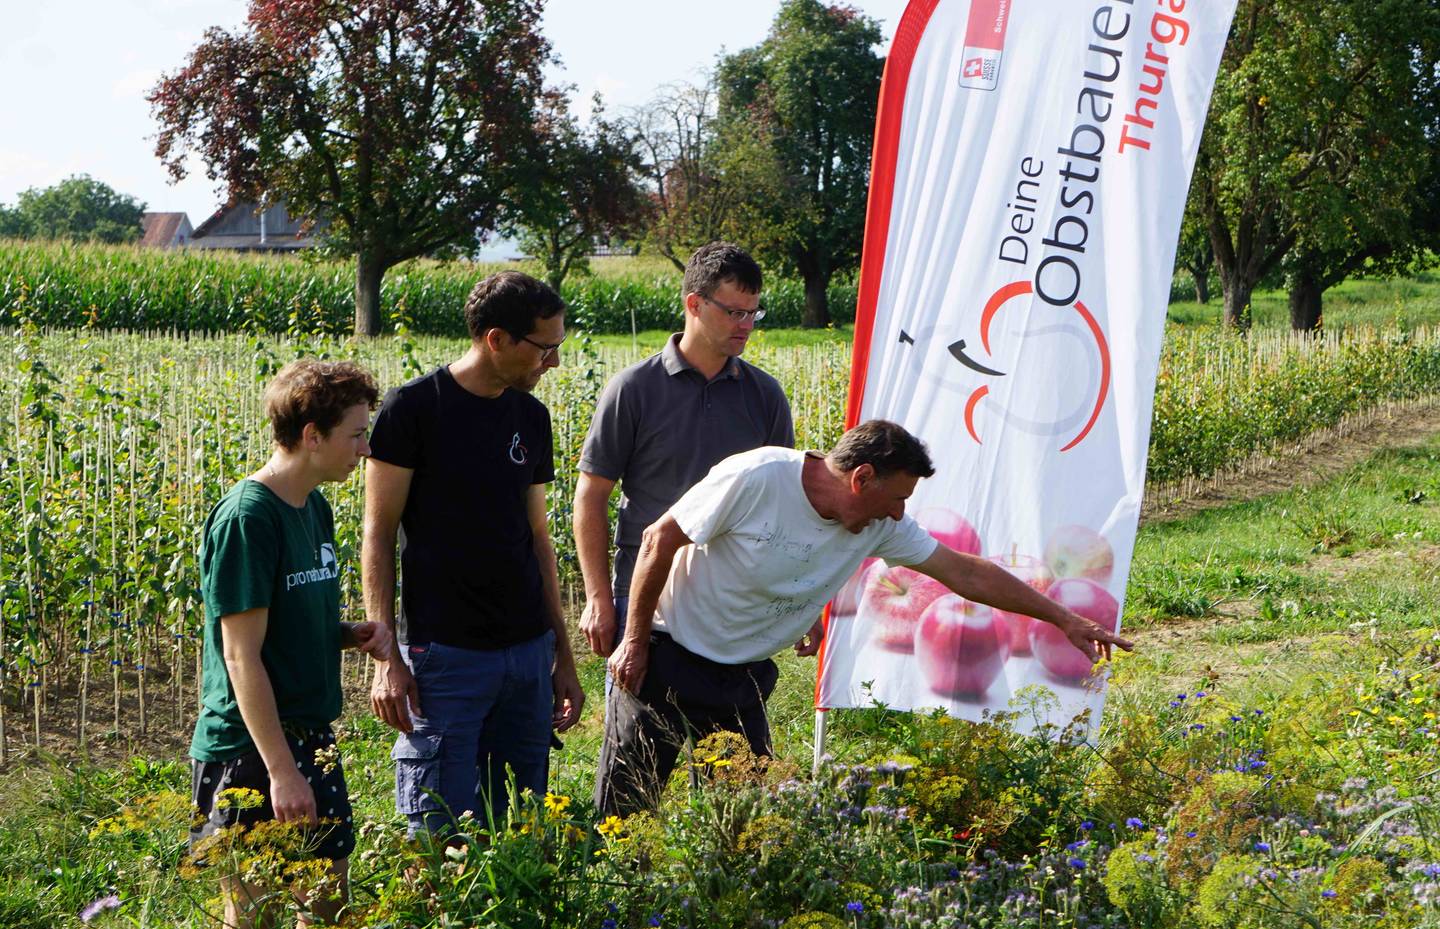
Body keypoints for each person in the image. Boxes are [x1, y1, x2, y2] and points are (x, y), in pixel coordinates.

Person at [596, 420, 1134, 815]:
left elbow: (965, 574)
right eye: (897, 496)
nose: (901, 512)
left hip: (742, 675)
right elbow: (658, 539)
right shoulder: (758, 477)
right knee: (626, 807)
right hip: (666, 654)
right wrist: (635, 641)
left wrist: (1063, 617)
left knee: (743, 822)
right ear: (862, 478)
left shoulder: (879, 526)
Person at [364, 270, 584, 839]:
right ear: (496, 339)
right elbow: (379, 534)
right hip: (445, 656)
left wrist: (561, 653)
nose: (553, 363)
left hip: (526, 652)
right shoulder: (413, 409)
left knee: (516, 827)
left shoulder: (531, 418)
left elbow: (538, 539)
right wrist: (388, 656)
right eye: (545, 349)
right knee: (437, 831)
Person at [188, 359, 390, 929]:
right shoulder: (248, 519)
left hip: (310, 734)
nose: (366, 448)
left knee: (328, 903)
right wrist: (281, 772)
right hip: (251, 747)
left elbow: (289, 622)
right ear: (311, 436)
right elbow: (239, 655)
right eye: (355, 434)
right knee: (255, 909)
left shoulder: (314, 508)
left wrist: (348, 635)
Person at [575, 242, 799, 678]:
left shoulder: (765, 395)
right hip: (646, 598)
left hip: (734, 600)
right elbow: (591, 495)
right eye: (735, 312)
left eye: (754, 313)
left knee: (732, 743)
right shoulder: (634, 389)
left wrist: (795, 600)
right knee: (639, 740)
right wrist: (598, 596)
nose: (746, 325)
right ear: (694, 304)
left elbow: (784, 502)